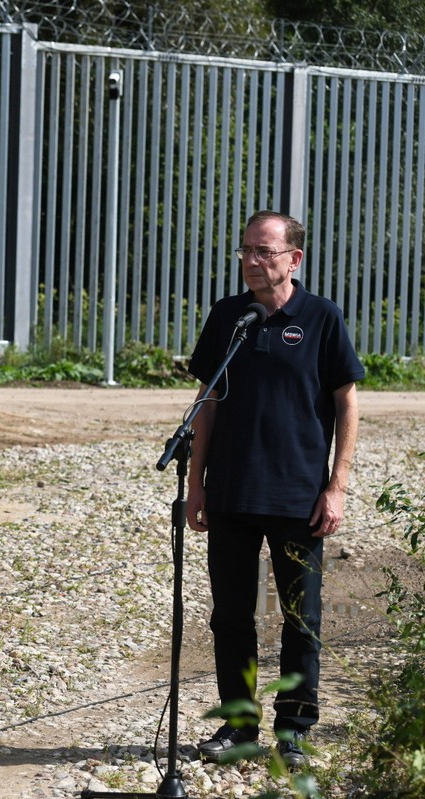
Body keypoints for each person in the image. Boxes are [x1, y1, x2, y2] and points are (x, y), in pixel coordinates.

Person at [186, 211, 363, 769]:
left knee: (299, 618)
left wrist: (336, 487)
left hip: (297, 498)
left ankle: (294, 729)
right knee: (231, 617)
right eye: (245, 251)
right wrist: (196, 487)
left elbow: (346, 403)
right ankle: (239, 726)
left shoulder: (321, 318)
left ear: (294, 258)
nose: (252, 262)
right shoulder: (228, 318)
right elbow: (208, 402)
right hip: (232, 495)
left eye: (264, 251)